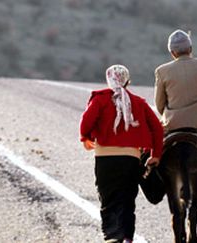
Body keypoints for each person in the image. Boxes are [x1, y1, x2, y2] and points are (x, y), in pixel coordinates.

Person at [80, 64, 164, 243]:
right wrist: (155, 154)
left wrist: (85, 137)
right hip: (131, 159)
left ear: (108, 79)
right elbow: (157, 128)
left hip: (105, 159)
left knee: (108, 197)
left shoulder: (100, 99)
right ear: (127, 81)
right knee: (127, 199)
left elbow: (86, 121)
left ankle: (112, 236)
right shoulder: (139, 102)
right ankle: (127, 237)